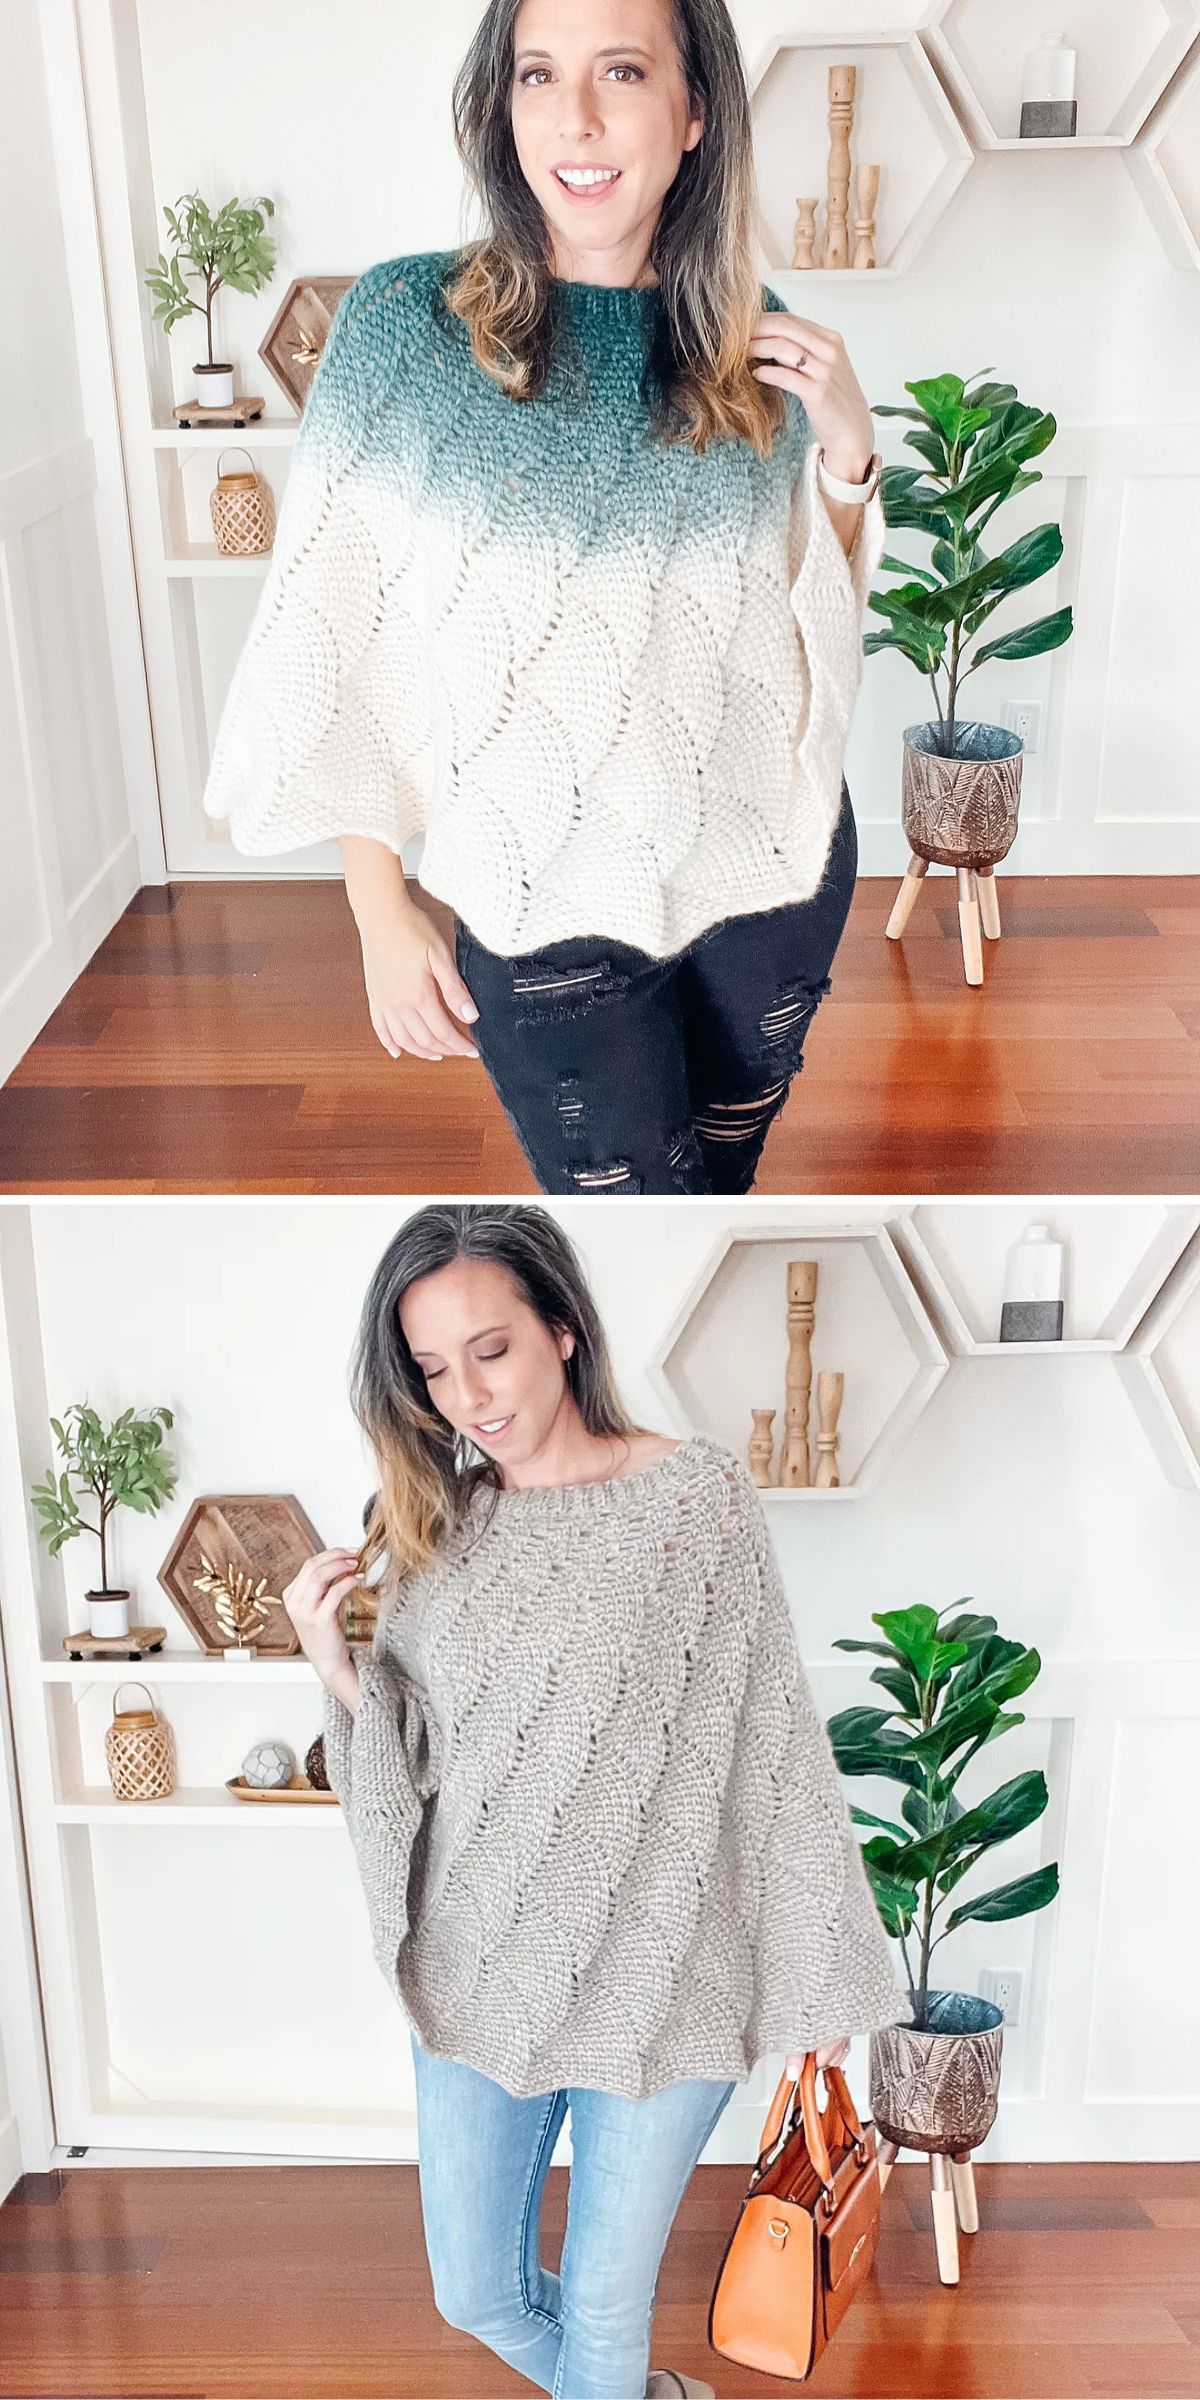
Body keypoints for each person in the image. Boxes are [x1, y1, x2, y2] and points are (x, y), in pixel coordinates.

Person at [202, 0, 885, 1198]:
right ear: (500, 104)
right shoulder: (407, 332)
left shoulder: (751, 340)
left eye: (621, 70)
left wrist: (846, 451)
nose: (574, 116)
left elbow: (801, 616)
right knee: (624, 1209)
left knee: (717, 1192)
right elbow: (340, 641)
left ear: (693, 114)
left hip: (769, 880)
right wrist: (378, 905)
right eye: (536, 73)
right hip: (539, 910)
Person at [282, 1204, 906, 2400]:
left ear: (563, 1329)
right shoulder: (436, 1528)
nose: (468, 1395)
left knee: (608, 2317)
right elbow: (411, 1766)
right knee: (475, 2291)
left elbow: (772, 1747)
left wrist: (826, 1965)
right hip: (481, 1969)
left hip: (670, 1980)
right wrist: (334, 1665)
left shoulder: (697, 1504)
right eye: (431, 1369)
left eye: (493, 1348)